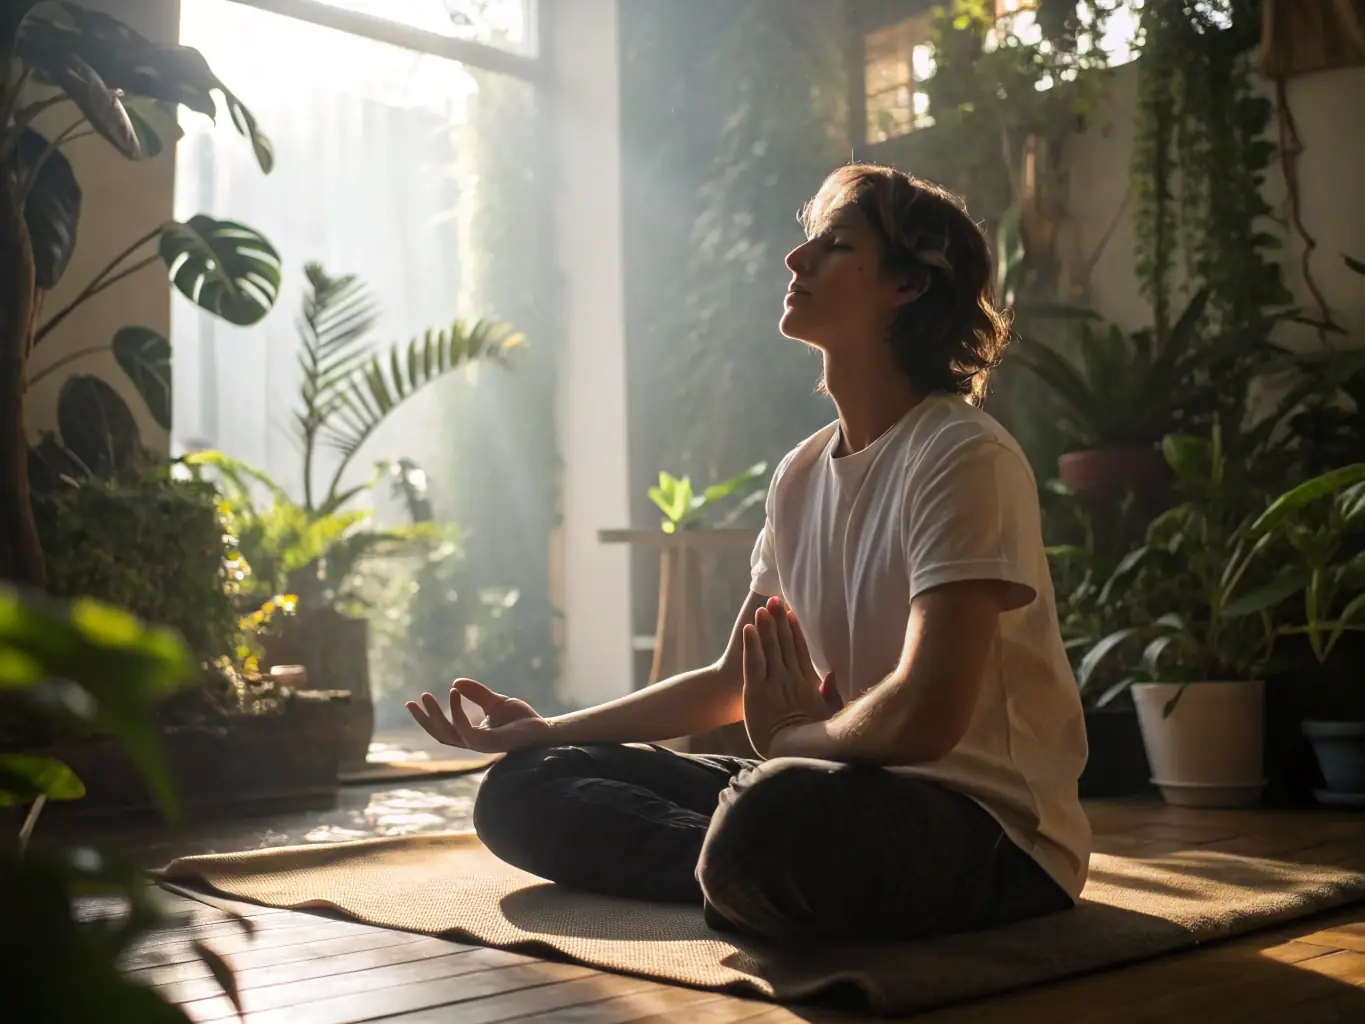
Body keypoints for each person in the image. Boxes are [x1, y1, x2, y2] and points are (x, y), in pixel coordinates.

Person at [407, 164, 1090, 943]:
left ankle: (750, 865)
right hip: (827, 790)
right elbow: (733, 680)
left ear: (903, 284)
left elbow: (925, 716)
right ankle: (742, 874)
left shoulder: (961, 456)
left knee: (771, 811)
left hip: (985, 830)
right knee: (525, 788)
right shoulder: (800, 475)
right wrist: (552, 730)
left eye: (832, 247)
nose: (794, 263)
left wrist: (797, 739)